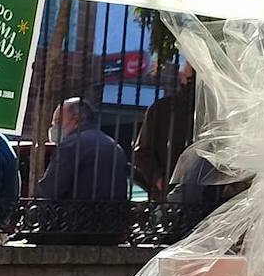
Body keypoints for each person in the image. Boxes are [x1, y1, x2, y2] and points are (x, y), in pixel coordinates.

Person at [37, 97, 130, 202]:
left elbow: (51, 189)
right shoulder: (114, 146)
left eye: (58, 122)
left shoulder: (71, 145)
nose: (54, 128)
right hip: (112, 215)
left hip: (76, 215)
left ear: (75, 119)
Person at [133, 62, 196, 201]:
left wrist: (159, 179)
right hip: (173, 194)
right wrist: (159, 179)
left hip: (176, 196)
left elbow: (141, 152)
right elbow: (142, 153)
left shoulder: (161, 109)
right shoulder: (162, 110)